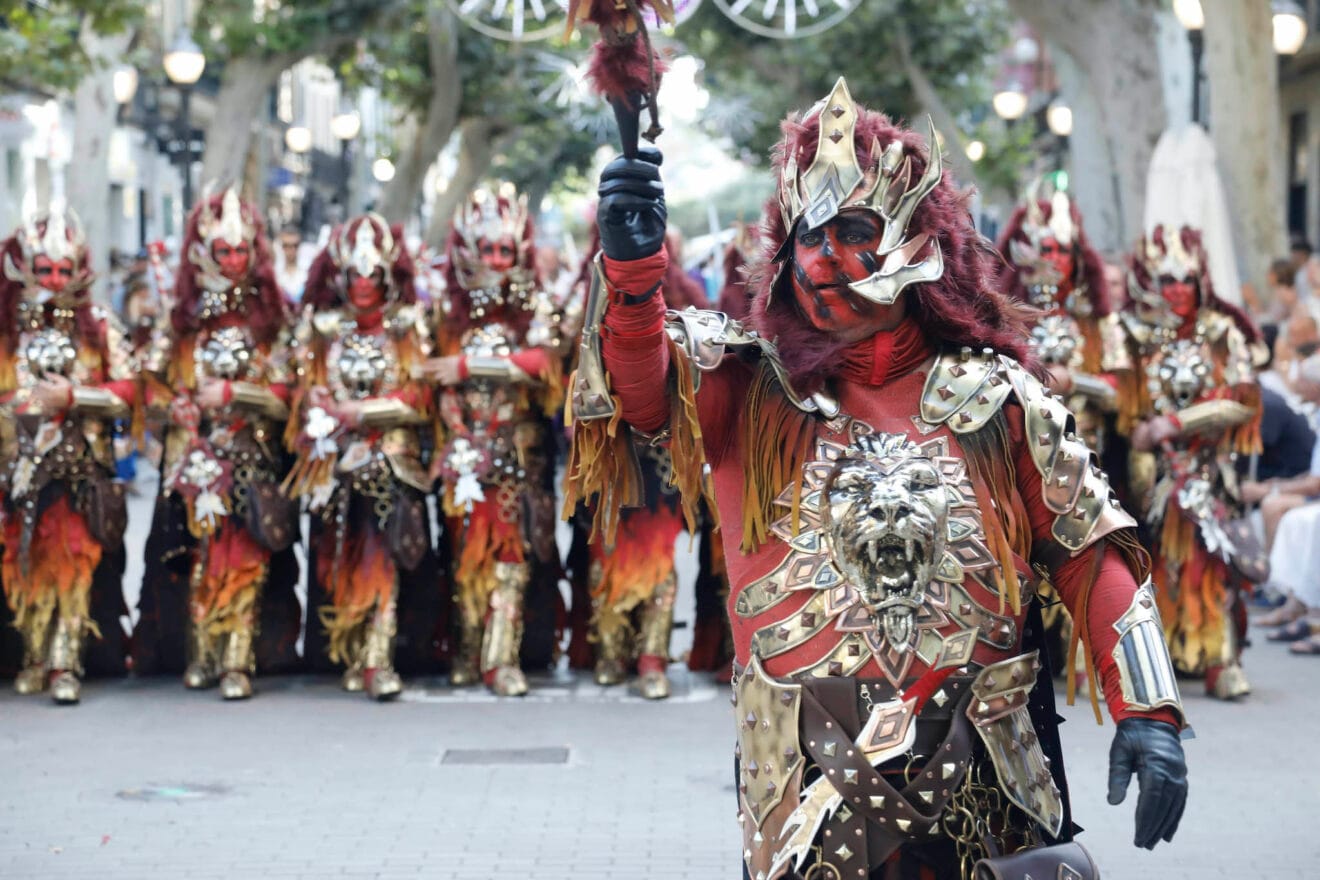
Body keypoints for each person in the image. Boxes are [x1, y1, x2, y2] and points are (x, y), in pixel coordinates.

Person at [568, 78, 1187, 878]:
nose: (823, 257)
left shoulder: (996, 398)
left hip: (987, 776)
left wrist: (1151, 712)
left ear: (919, 239)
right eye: (807, 235)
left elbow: (1088, 550)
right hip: (806, 783)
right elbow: (639, 389)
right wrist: (631, 270)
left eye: (851, 229)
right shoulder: (750, 387)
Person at [132, 187, 302, 700]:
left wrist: (236, 393)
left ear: (255, 253)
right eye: (222, 252)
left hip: (253, 460)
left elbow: (289, 396)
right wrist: (175, 404)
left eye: (239, 251)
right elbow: (149, 387)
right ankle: (202, 653)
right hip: (195, 463)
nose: (231, 261)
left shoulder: (275, 320)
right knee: (198, 558)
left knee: (246, 559)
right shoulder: (181, 321)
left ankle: (237, 661)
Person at [286, 213, 440, 700]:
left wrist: (363, 411)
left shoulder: (408, 325)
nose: (364, 284)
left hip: (392, 461)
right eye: (356, 274)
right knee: (335, 556)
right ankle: (348, 651)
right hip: (332, 462)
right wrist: (314, 404)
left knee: (384, 558)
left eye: (373, 274)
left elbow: (421, 397)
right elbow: (303, 384)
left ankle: (378, 658)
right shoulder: (322, 327)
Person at [425, 185, 568, 696]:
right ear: (468, 251)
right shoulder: (447, 313)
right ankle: (467, 651)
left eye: (505, 250)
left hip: (518, 459)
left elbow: (545, 364)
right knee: (465, 558)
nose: (496, 260)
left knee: (512, 559)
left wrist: (468, 366)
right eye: (487, 250)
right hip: (464, 456)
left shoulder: (535, 305)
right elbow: (429, 377)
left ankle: (502, 659)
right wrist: (452, 413)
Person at [1112, 224, 1263, 700]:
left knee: (1210, 561)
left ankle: (1220, 658)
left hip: (1206, 470)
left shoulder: (1222, 334)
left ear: (1200, 284)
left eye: (1186, 281)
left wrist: (1177, 422)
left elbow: (1243, 399)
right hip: (1150, 474)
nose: (1177, 290)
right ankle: (1166, 659)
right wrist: (1135, 429)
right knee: (1150, 564)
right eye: (1167, 281)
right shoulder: (1135, 337)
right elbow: (1125, 402)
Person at [0, 206, 135, 703]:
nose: (55, 280)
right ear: (28, 270)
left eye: (63, 270)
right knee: (25, 561)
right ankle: (34, 654)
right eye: (45, 270)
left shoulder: (98, 324)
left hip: (82, 469)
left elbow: (128, 390)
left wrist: (75, 399)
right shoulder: (8, 325)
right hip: (20, 470)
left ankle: (65, 661)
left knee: (74, 564)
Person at [275, 224, 309, 305]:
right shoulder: (275, 273)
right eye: (286, 246)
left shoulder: (308, 271)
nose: (291, 250)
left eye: (295, 245)